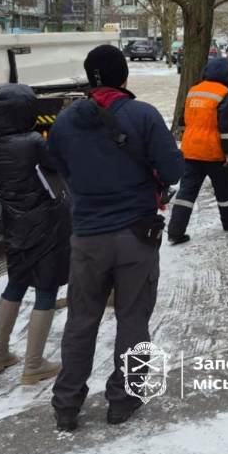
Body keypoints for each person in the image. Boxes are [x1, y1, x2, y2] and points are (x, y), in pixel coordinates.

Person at [47, 45, 184, 431]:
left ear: (90, 79)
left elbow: (60, 166)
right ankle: (123, 399)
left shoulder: (64, 123)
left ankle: (67, 404)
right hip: (136, 236)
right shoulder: (142, 115)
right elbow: (173, 170)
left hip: (88, 237)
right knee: (133, 319)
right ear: (124, 76)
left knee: (81, 320)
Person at [0, 83, 72, 385]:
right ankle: (33, 365)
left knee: (16, 283)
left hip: (14, 223)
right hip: (46, 222)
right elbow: (61, 165)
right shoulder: (32, 142)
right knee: (46, 289)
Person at [168, 56, 228, 244]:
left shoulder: (193, 90)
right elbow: (226, 128)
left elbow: (182, 120)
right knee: (224, 189)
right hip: (213, 152)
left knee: (186, 192)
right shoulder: (224, 93)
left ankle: (175, 231)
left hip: (191, 150)